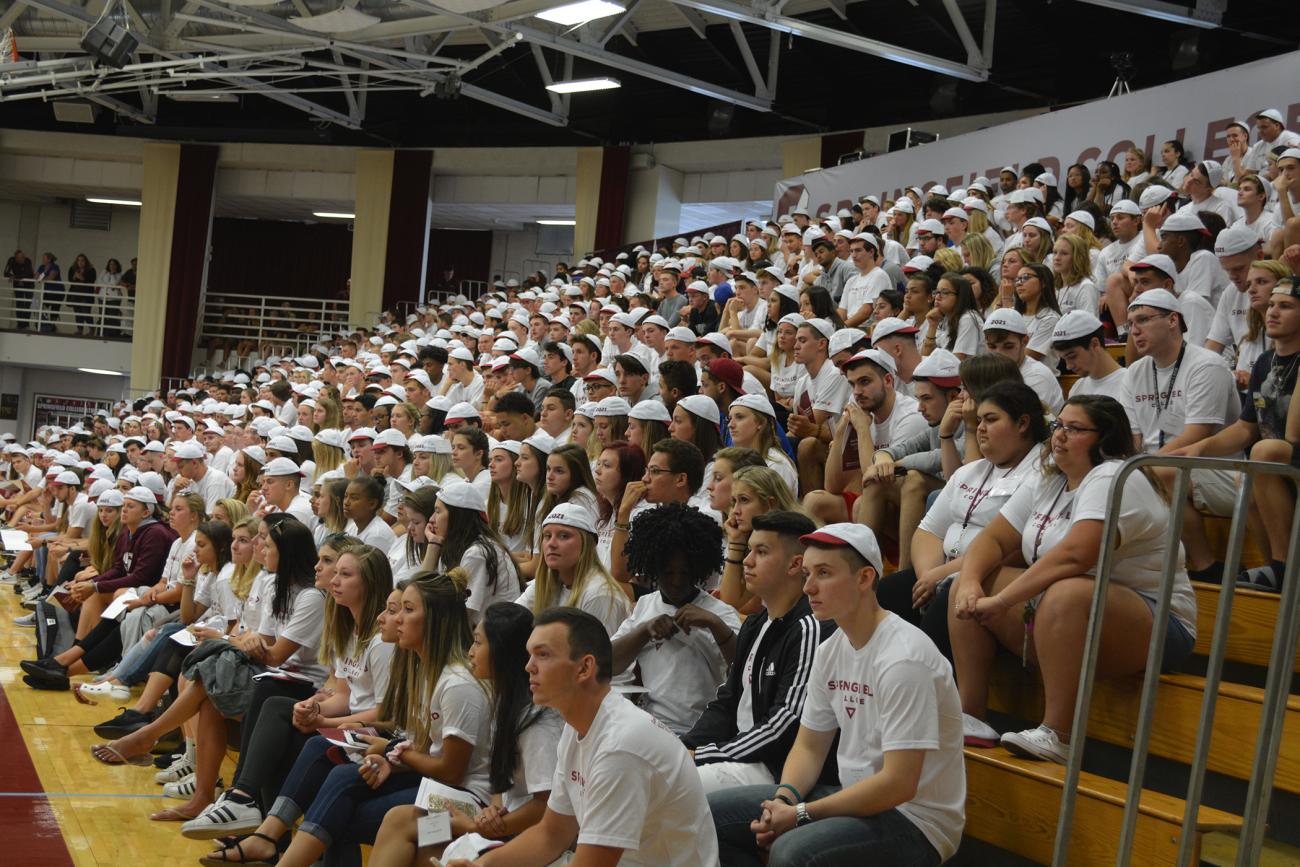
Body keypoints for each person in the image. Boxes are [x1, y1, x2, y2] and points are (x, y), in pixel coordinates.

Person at [951, 396, 1197, 762]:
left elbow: (1077, 555)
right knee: (966, 583)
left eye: (1074, 429)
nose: (1060, 436)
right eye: (1058, 426)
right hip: (1069, 620)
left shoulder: (1114, 475)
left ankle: (1059, 734)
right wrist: (971, 581)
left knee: (1065, 593)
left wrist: (1002, 602)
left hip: (1159, 625)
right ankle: (971, 716)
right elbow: (992, 539)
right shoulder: (1050, 478)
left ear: (1105, 439)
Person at [709, 522, 965, 867]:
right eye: (808, 573)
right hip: (851, 798)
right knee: (708, 814)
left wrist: (800, 814)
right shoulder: (831, 650)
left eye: (824, 573)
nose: (809, 586)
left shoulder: (905, 658)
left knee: (793, 851)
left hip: (916, 820)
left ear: (864, 579)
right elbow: (809, 747)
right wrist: (785, 800)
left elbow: (899, 784)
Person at [206, 571, 490, 867]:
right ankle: (267, 839)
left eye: (407, 610)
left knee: (339, 810)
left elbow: (452, 772)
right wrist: (390, 758)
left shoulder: (456, 684)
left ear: (435, 620)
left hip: (465, 803)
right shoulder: (426, 671)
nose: (396, 619)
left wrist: (389, 751)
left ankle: (269, 843)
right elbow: (424, 747)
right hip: (433, 782)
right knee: (337, 780)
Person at [444, 607, 720, 867]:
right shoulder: (578, 725)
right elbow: (550, 834)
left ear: (585, 668)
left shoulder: (621, 746)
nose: (529, 666)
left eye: (543, 655)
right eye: (529, 655)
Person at [181, 541, 394, 839]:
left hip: (371, 732)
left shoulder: (382, 642)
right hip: (349, 723)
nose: (333, 579)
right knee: (280, 709)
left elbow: (387, 713)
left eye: (345, 574)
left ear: (370, 583)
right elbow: (345, 695)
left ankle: (252, 814)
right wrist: (315, 708)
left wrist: (323, 720)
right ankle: (247, 809)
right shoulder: (350, 629)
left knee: (285, 726)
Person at [368, 602, 564, 865]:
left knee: (406, 826)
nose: (470, 652)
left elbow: (545, 807)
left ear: (500, 652)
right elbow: (501, 781)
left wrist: (491, 824)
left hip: (519, 834)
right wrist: (494, 807)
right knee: (417, 831)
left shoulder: (535, 721)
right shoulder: (504, 701)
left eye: (478, 643)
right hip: (490, 816)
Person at [875, 382, 1047, 660]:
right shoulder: (971, 471)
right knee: (888, 592)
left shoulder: (1040, 474)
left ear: (1023, 423)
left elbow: (1015, 549)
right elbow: (928, 531)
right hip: (939, 572)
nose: (980, 428)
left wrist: (941, 577)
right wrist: (927, 575)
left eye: (991, 420)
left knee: (947, 599)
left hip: (986, 577)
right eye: (978, 420)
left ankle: (932, 692)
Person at [683, 510, 838, 794]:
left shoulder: (809, 628)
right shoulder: (755, 623)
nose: (747, 560)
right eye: (749, 550)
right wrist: (685, 747)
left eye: (761, 552)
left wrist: (704, 755)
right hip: (741, 756)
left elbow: (786, 723)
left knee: (670, 788)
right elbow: (727, 701)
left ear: (795, 565)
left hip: (777, 769)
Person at [1175, 274, 1300, 591]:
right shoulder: (1263, 362)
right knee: (1246, 473)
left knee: (1263, 453)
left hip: (1287, 455)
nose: (1272, 311)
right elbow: (1246, 429)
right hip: (1279, 465)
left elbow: (1292, 436)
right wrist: (1199, 450)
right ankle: (1276, 566)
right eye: (1271, 304)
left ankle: (1285, 570)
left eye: (1285, 306)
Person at [1121, 288, 1241, 583]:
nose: (1135, 331)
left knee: (1162, 474)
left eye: (1144, 320)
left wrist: (1140, 469)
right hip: (1160, 468)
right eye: (1131, 324)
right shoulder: (1135, 372)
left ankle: (1204, 567)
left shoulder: (1205, 365)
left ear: (1173, 320)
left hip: (1219, 470)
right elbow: (1134, 439)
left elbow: (1197, 434)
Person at [612, 502, 739, 734]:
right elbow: (608, 664)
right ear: (653, 569)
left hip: (705, 730)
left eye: (685, 573)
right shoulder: (645, 606)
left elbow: (744, 670)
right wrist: (644, 631)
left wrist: (714, 624)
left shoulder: (720, 613)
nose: (677, 581)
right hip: (653, 727)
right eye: (668, 573)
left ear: (699, 569)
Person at [516, 502, 630, 636]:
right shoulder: (546, 582)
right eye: (547, 536)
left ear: (586, 544)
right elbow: (511, 619)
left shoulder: (599, 594)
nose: (551, 544)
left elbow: (597, 654)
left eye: (564, 536)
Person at [422, 479, 521, 625]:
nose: (431, 519)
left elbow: (462, 616)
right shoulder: (454, 548)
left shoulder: (478, 553)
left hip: (493, 639)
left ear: (458, 516)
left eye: (437, 511)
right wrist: (434, 544)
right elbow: (423, 590)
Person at [981, 309, 1065, 413]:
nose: (999, 354)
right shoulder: (989, 371)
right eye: (992, 346)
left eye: (1008, 346)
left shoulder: (1038, 377)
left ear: (1024, 341)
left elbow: (1024, 424)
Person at [1051, 310, 1126, 404]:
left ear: (1095, 344)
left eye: (1072, 356)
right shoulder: (1078, 388)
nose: (1068, 366)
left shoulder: (1128, 384)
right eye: (1064, 359)